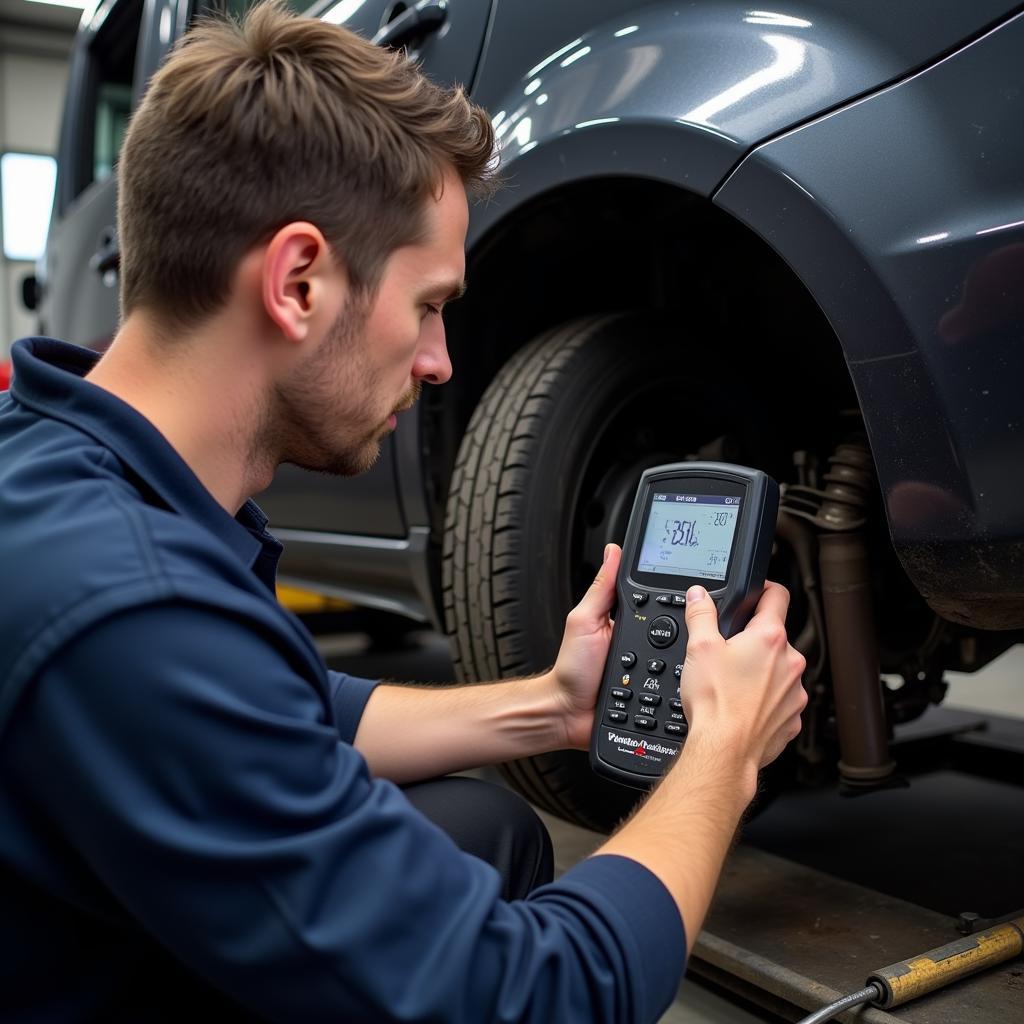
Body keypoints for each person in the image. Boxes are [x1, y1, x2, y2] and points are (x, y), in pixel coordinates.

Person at [0, 3, 807, 1021]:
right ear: (298, 281)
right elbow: (535, 996)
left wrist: (553, 704)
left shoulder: (44, 460)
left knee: (483, 826)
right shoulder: (129, 609)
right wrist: (721, 752)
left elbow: (295, 709)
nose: (438, 362)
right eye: (428, 305)